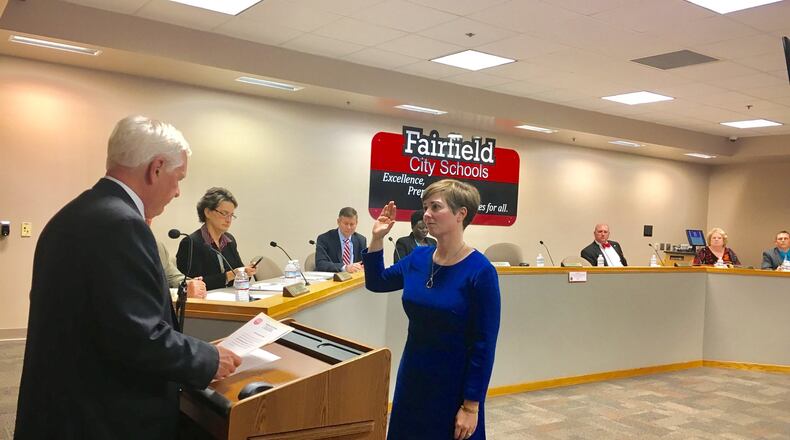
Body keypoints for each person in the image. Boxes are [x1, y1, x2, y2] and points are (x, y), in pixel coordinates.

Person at [14, 115, 241, 440]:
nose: (178, 192)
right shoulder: (123, 225)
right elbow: (138, 337)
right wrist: (208, 358)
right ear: (156, 168)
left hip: (60, 407)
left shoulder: (73, 214)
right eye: (178, 178)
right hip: (101, 417)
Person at [363, 179, 500, 440]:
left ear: (461, 214)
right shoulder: (418, 258)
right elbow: (376, 282)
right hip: (413, 373)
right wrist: (377, 238)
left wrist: (472, 406)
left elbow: (484, 344)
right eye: (425, 206)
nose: (426, 214)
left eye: (436, 207)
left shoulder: (481, 272)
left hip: (452, 382)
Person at [176, 187, 257, 290]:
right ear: (208, 212)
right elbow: (191, 284)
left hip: (231, 298)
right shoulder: (191, 243)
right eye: (224, 213)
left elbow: (238, 275)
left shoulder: (229, 240)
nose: (228, 220)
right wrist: (230, 275)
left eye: (231, 215)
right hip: (205, 302)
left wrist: (246, 272)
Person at [146, 218, 207, 298]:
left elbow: (173, 276)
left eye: (148, 218)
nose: (148, 221)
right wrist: (181, 292)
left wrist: (189, 283)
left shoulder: (157, 245)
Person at [315, 207, 367, 273]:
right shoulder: (324, 239)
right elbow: (321, 264)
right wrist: (345, 268)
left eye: (352, 224)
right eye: (346, 224)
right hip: (334, 279)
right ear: (338, 222)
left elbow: (364, 263)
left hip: (354, 278)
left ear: (356, 223)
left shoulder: (361, 240)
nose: (348, 227)